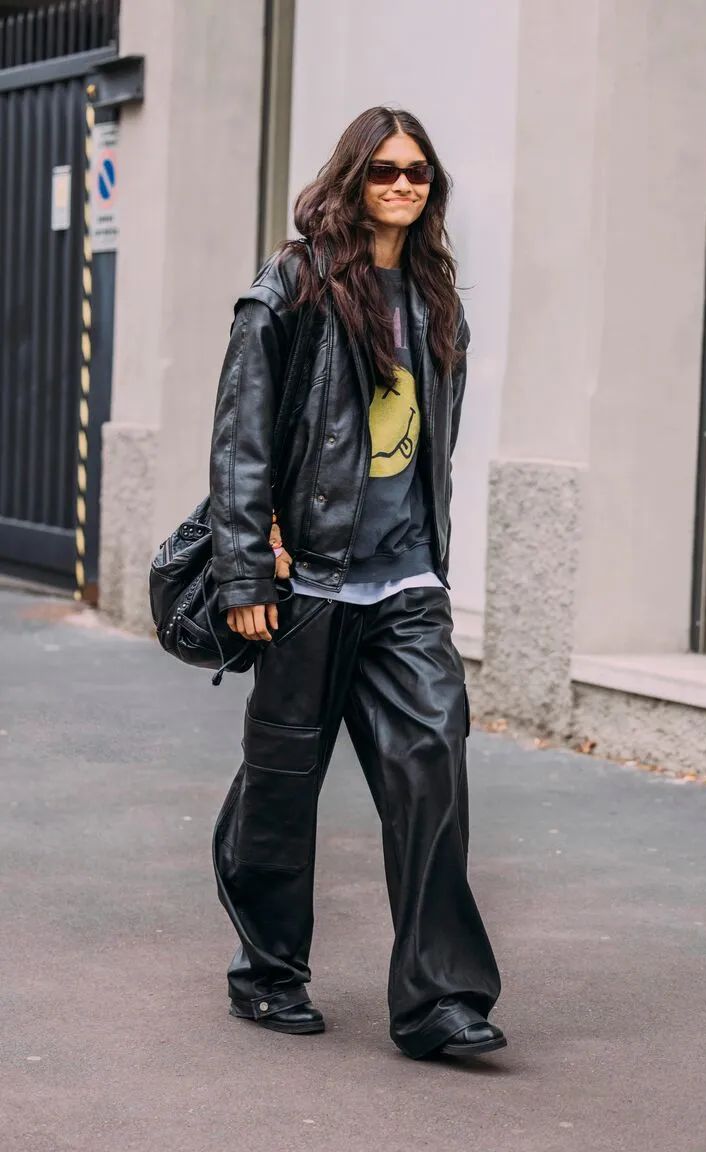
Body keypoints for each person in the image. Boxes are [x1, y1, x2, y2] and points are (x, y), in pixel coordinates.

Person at [208, 106, 505, 1060]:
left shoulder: (432, 290)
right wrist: (247, 565)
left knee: (433, 773)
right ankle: (267, 972)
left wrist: (433, 554)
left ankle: (438, 1003)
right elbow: (242, 439)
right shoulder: (290, 285)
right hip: (308, 586)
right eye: (384, 171)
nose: (403, 186)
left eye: (419, 172)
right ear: (351, 177)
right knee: (283, 790)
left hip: (407, 583)